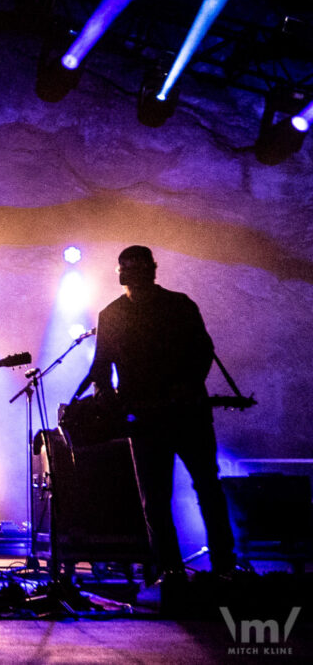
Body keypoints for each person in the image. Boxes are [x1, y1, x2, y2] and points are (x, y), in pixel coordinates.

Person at [89, 245, 237, 578]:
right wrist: (109, 397)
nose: (136, 277)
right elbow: (101, 369)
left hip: (179, 415)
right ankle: (179, 572)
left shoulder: (176, 305)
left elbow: (202, 352)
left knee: (194, 492)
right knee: (170, 497)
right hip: (158, 417)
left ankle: (214, 569)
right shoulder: (120, 313)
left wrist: (184, 387)